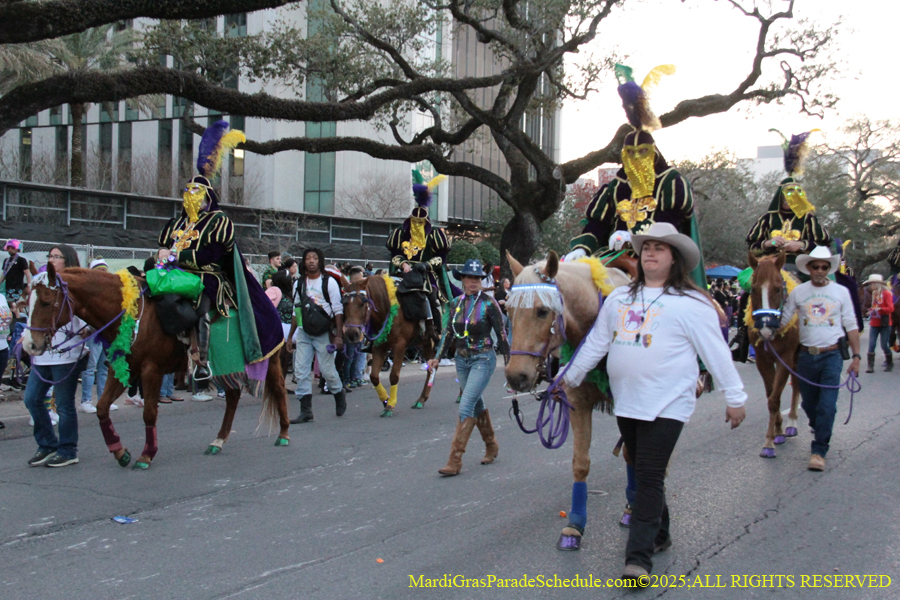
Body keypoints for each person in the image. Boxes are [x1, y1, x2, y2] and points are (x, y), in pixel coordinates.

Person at [562, 222, 746, 583]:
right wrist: (567, 378)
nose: (649, 252)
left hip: (668, 403)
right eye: (646, 247)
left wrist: (735, 396)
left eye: (659, 248)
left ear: (674, 258)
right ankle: (660, 534)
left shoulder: (693, 304)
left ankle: (638, 560)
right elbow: (596, 344)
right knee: (646, 472)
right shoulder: (619, 299)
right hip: (626, 403)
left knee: (647, 476)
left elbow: (716, 353)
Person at [158, 120, 283, 398]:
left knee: (201, 303)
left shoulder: (218, 220)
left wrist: (177, 256)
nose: (188, 195)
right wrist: (162, 255)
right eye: (187, 190)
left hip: (207, 277)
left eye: (195, 191)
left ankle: (201, 364)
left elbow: (212, 255)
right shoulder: (175, 223)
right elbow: (165, 247)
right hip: (171, 274)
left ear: (206, 198)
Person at [564, 64, 706, 287]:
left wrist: (637, 238)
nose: (636, 159)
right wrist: (582, 248)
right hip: (612, 256)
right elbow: (597, 226)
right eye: (630, 154)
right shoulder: (614, 188)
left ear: (653, 154)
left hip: (658, 258)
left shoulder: (671, 183)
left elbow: (671, 222)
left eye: (642, 153)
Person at [781, 246, 861, 472]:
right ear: (808, 268)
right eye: (815, 266)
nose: (819, 270)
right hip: (806, 355)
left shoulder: (841, 292)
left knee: (827, 406)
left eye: (824, 267)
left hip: (832, 354)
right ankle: (820, 428)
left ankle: (819, 450)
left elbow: (852, 324)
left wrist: (856, 357)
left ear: (829, 268)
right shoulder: (798, 292)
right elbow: (785, 319)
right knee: (808, 403)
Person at [428, 259, 508, 477]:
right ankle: (491, 444)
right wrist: (437, 357)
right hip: (461, 361)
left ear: (482, 281)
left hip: (484, 359)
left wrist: (509, 363)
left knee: (465, 406)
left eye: (477, 278)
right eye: (469, 277)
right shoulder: (456, 304)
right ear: (462, 279)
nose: (473, 282)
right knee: (475, 403)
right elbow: (448, 332)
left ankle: (455, 460)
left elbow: (501, 334)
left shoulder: (489, 304)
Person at [23, 244, 91, 467]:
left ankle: (68, 449)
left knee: (63, 405)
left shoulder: (75, 284)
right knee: (32, 399)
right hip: (42, 355)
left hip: (66, 354)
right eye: (50, 256)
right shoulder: (41, 279)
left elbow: (85, 314)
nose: (52, 259)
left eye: (57, 256)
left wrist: (85, 328)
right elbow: (33, 309)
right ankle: (47, 445)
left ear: (67, 259)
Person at [746, 130, 830, 273]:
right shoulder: (767, 219)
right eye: (788, 195)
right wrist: (769, 243)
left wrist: (801, 245)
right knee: (751, 289)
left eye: (796, 196)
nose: (792, 200)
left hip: (801, 268)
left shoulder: (808, 219)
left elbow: (824, 244)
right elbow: (752, 246)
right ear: (780, 196)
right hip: (770, 266)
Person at [387, 170, 454, 342]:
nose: (417, 225)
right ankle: (380, 334)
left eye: (420, 223)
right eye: (414, 222)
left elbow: (441, 257)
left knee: (432, 298)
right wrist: (402, 264)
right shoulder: (401, 234)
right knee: (385, 296)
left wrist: (427, 265)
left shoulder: (434, 235)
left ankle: (435, 331)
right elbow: (395, 254)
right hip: (404, 273)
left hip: (426, 273)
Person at [286, 247, 346, 423]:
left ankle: (338, 392)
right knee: (301, 371)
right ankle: (306, 411)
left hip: (324, 333)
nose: (311, 261)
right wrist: (291, 337)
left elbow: (338, 310)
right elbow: (296, 310)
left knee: (328, 371)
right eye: (308, 258)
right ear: (303, 262)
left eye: (314, 258)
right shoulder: (299, 284)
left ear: (320, 261)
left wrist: (338, 336)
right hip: (304, 333)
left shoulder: (329, 283)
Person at [79, 259, 121, 412]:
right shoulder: (87, 291)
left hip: (106, 335)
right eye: (100, 270)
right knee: (90, 368)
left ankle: (104, 399)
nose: (104, 273)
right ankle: (86, 400)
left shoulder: (107, 291)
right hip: (92, 333)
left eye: (105, 270)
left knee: (104, 368)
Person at [862, 273, 893, 373]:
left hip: (885, 323)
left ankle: (889, 363)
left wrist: (880, 309)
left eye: (871, 284)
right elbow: (874, 307)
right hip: (874, 323)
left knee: (884, 345)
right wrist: (871, 311)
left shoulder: (886, 294)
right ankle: (870, 366)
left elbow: (890, 308)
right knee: (871, 344)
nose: (870, 286)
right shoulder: (875, 294)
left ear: (876, 284)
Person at [1, 239, 31, 306]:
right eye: (9, 248)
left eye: (12, 248)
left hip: (17, 287)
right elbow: (4, 274)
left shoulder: (21, 260)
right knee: (12, 305)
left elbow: (27, 273)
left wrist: (29, 285)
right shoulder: (6, 261)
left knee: (13, 305)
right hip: (8, 287)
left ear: (17, 248)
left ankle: (19, 315)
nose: (10, 250)